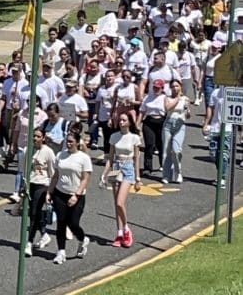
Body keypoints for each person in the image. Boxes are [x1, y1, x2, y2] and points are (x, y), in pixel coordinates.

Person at [46, 131, 92, 265]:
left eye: (71, 141)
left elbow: (85, 179)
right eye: (67, 141)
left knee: (73, 223)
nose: (69, 143)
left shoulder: (84, 158)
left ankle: (83, 239)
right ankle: (61, 252)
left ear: (77, 142)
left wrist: (76, 195)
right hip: (60, 193)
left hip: (76, 195)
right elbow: (55, 176)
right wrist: (49, 192)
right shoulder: (60, 155)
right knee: (61, 222)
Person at [101, 112, 142, 248]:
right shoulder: (114, 137)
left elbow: (136, 159)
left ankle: (126, 229)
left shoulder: (134, 138)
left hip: (128, 167)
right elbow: (110, 158)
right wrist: (104, 174)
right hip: (116, 168)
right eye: (120, 120)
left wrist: (137, 178)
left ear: (130, 122)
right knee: (116, 203)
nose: (121, 122)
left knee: (120, 202)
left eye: (124, 120)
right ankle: (119, 233)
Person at [24, 128, 56, 256]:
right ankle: (44, 233)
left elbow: (53, 173)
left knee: (34, 211)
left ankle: (29, 242)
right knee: (33, 213)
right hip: (31, 183)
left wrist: (50, 191)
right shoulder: (28, 150)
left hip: (42, 185)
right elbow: (25, 169)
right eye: (34, 136)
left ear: (43, 138)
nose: (35, 139)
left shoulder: (48, 152)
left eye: (38, 136)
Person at [10, 96, 47, 203]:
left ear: (38, 102)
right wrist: (13, 143)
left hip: (35, 147)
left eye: (32, 101)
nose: (30, 103)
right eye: (28, 101)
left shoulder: (42, 115)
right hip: (22, 144)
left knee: (32, 169)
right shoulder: (22, 113)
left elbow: (41, 132)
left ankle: (29, 190)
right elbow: (17, 129)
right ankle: (16, 192)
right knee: (20, 169)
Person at [203, 86, 232, 189]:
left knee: (223, 154)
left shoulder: (233, 92)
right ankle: (220, 173)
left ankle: (222, 177)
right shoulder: (215, 92)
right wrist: (206, 123)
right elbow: (210, 107)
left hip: (227, 129)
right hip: (215, 128)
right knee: (213, 153)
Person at [162, 79, 191, 184]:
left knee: (176, 150)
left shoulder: (186, 99)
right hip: (168, 124)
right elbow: (167, 108)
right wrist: (178, 98)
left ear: (180, 87)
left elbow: (188, 116)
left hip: (180, 124)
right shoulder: (167, 98)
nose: (175, 88)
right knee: (166, 150)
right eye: (173, 86)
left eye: (177, 86)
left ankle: (178, 172)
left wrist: (187, 110)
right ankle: (166, 175)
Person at [139, 79, 167, 175]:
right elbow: (142, 111)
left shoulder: (165, 98)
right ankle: (148, 167)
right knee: (149, 145)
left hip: (161, 121)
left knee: (161, 145)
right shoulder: (148, 97)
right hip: (149, 121)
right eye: (154, 87)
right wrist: (137, 124)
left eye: (158, 88)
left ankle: (163, 165)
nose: (156, 89)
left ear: (162, 88)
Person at [95, 69, 119, 154]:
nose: (109, 78)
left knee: (114, 136)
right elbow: (98, 102)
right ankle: (107, 155)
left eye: (111, 76)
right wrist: (96, 113)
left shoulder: (117, 88)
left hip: (114, 116)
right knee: (106, 137)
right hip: (103, 115)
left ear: (115, 77)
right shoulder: (101, 88)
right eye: (108, 76)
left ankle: (115, 155)